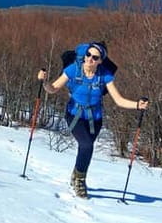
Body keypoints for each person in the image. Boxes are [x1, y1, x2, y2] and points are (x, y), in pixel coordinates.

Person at [37, 41, 149, 199]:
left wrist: (137, 105)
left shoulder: (104, 76)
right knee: (87, 145)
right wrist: (44, 82)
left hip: (95, 120)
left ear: (100, 60)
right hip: (74, 115)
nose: (90, 59)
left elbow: (119, 100)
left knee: (86, 149)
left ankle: (76, 174)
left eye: (95, 57)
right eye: (88, 55)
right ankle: (80, 181)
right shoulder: (73, 69)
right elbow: (53, 89)